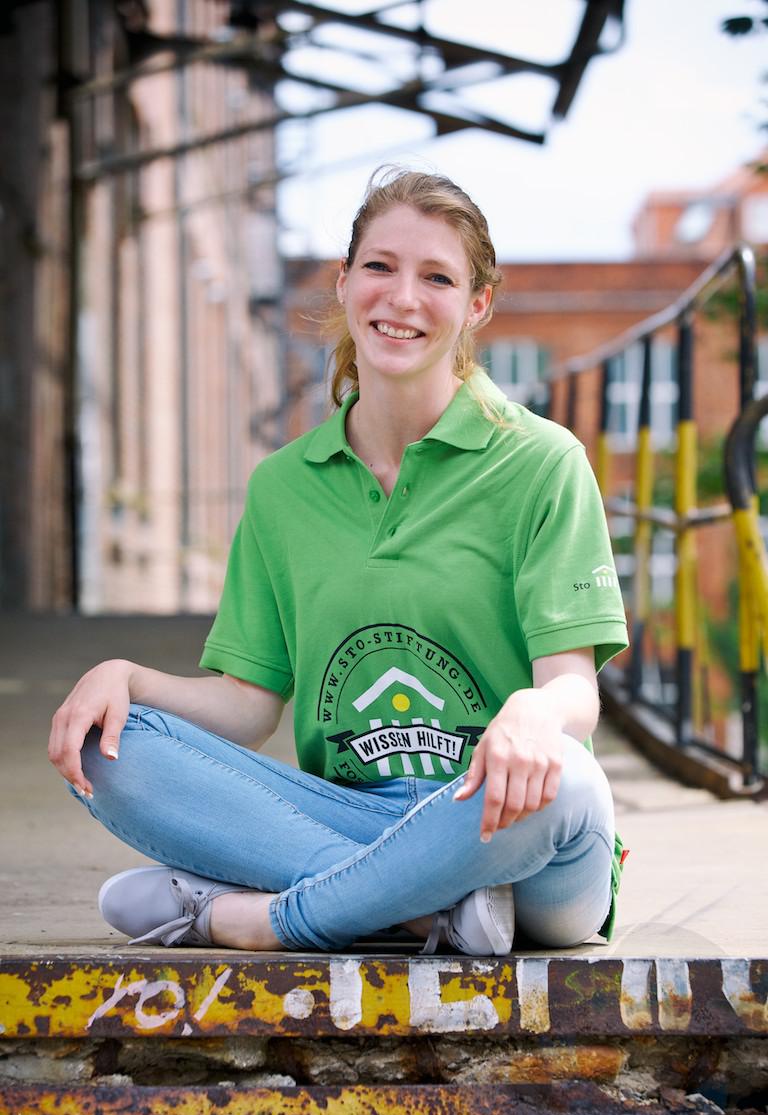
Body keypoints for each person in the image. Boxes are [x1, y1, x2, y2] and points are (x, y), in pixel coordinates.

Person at [48, 167, 628, 956]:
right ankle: (424, 913)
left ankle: (267, 918)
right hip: (351, 814)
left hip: (503, 828)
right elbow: (249, 705)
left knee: (571, 779)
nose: (403, 298)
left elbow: (574, 690)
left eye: (437, 278)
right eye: (380, 267)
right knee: (109, 745)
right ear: (345, 282)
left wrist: (536, 710)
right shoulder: (284, 488)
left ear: (477, 305)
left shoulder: (541, 463)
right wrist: (128, 680)